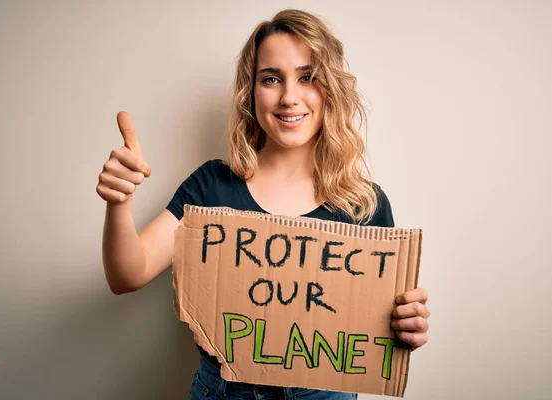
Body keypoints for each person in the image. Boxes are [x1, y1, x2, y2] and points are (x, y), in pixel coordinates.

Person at [96, 9, 430, 400]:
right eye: (271, 79)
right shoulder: (211, 186)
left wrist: (407, 325)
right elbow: (126, 275)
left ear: (330, 90)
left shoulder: (365, 206)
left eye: (308, 78)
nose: (289, 97)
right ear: (251, 92)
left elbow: (377, 332)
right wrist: (119, 201)